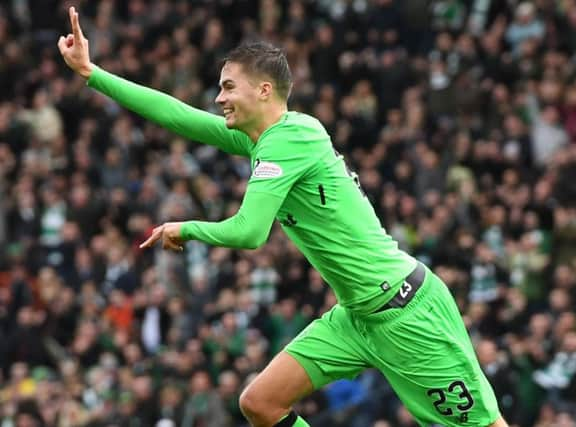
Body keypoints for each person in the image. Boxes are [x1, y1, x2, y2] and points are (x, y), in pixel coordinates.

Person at [58, 6, 509, 427]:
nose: (219, 99)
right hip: (356, 317)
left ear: (264, 90)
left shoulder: (289, 138)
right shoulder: (266, 140)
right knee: (260, 403)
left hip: (406, 314)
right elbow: (178, 116)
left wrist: (187, 228)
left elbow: (250, 232)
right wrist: (93, 74)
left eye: (228, 87)